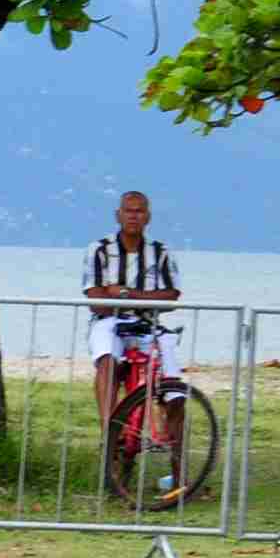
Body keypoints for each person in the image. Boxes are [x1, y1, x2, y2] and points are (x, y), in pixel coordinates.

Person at [82, 188, 183, 447]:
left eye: (139, 211)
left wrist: (126, 294)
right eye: (129, 211)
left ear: (148, 217)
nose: (133, 217)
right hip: (110, 323)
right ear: (118, 215)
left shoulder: (161, 252)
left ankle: (178, 461)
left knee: (173, 385)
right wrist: (149, 297)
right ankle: (110, 433)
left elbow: (171, 295)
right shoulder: (100, 250)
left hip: (148, 325)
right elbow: (96, 300)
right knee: (107, 360)